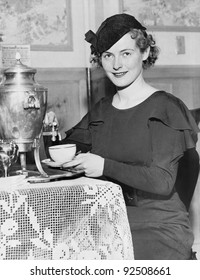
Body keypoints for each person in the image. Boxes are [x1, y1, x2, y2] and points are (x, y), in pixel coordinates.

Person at [45, 13, 199, 260]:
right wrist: (48, 132)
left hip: (158, 228)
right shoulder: (102, 110)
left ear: (145, 53)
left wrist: (104, 165)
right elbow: (64, 152)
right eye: (108, 55)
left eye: (126, 53)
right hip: (108, 220)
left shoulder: (165, 107)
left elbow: (162, 181)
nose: (116, 64)